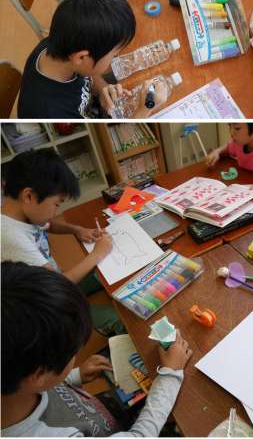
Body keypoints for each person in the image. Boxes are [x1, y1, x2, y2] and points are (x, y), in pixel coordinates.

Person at [1, 261, 193, 436]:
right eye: (74, 352)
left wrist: (74, 376)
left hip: (97, 412)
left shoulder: (17, 374)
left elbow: (39, 385)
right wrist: (170, 374)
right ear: (39, 374)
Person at [0, 148, 125, 337]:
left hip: (51, 278)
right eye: (56, 204)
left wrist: (77, 230)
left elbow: (48, 224)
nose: (56, 211)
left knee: (103, 273)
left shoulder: (20, 212)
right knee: (119, 319)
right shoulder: (11, 237)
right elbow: (57, 284)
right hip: (44, 306)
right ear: (29, 196)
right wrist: (97, 254)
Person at [17, 0, 165, 119]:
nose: (115, 58)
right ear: (81, 57)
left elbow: (88, 74)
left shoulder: (61, 43)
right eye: (114, 55)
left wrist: (102, 90)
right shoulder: (53, 113)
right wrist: (145, 109)